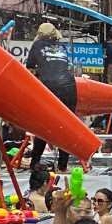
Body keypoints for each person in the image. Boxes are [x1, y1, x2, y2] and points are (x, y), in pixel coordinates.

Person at [24, 22, 77, 170]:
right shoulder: (62, 47)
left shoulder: (37, 45)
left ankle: (35, 162)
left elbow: (30, 69)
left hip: (49, 86)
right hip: (69, 87)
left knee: (44, 125)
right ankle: (63, 165)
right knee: (66, 126)